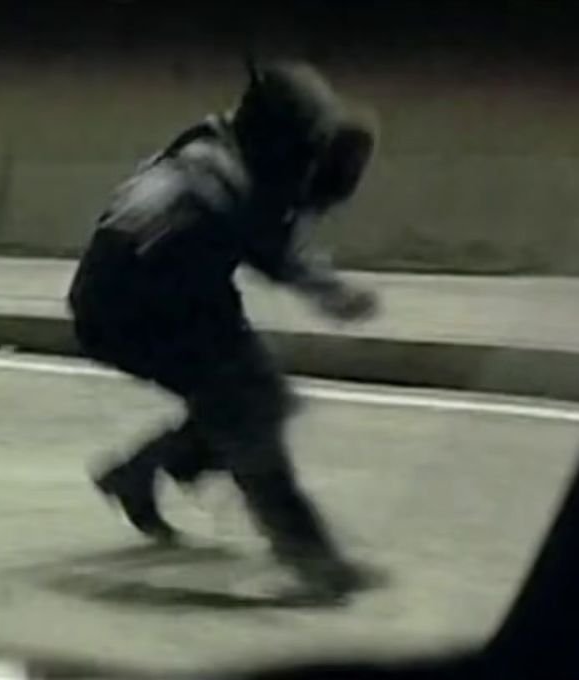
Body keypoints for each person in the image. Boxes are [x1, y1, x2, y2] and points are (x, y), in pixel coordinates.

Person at [66, 60, 381, 601]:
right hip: (130, 310)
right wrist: (333, 292)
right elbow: (275, 252)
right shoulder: (223, 183)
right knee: (247, 412)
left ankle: (138, 472)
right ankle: (310, 557)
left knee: (260, 398)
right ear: (277, 138)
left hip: (170, 293)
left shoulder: (217, 145)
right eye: (306, 144)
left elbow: (264, 229)